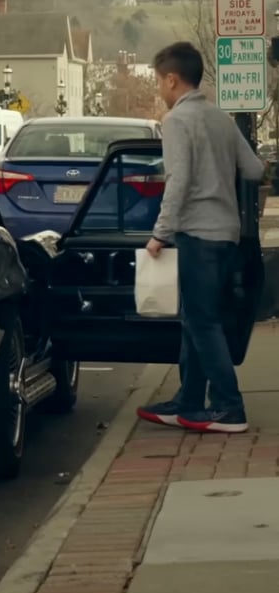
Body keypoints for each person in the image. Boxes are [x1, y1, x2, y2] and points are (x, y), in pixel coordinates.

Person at [137, 41, 264, 433]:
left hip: (197, 233)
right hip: (227, 234)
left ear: (172, 79)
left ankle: (229, 407)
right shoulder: (220, 117)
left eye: (159, 81)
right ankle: (188, 402)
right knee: (196, 318)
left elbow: (177, 181)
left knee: (203, 321)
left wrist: (160, 233)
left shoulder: (177, 121)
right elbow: (255, 169)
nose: (160, 88)